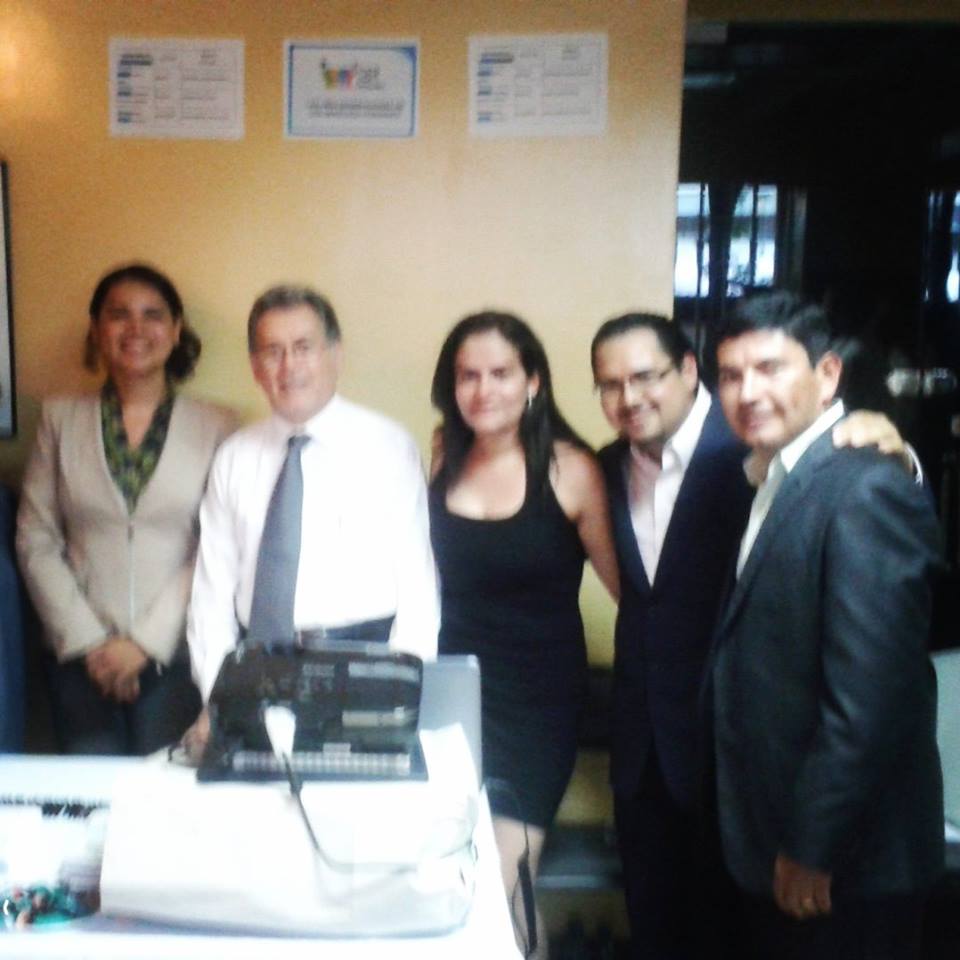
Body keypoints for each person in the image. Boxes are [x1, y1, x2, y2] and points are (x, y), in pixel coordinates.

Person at [590, 312, 917, 960]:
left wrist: (898, 451)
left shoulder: (761, 449)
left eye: (647, 377)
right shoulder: (604, 465)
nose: (629, 398)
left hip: (745, 771)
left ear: (688, 373)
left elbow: (869, 685)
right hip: (648, 758)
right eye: (610, 384)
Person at [707, 291, 943, 960]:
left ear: (828, 374)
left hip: (847, 866)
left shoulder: (864, 487)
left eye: (770, 368)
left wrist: (814, 847)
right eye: (731, 375)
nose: (748, 392)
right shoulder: (774, 476)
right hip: (778, 835)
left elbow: (869, 702)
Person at [429, 311, 619, 958]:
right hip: (448, 698)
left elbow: (633, 593)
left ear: (533, 381)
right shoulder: (442, 455)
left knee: (505, 882)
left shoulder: (572, 470)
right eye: (468, 375)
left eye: (501, 373)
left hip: (536, 706)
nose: (483, 389)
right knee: (446, 880)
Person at [186, 285, 438, 712]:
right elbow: (211, 596)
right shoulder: (234, 458)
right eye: (273, 351)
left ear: (335, 355)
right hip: (258, 663)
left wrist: (399, 694)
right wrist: (219, 698)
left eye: (304, 347)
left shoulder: (389, 447)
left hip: (365, 659)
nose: (289, 366)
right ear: (255, 367)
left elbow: (419, 586)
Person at [16, 263, 235, 755]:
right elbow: (35, 537)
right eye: (119, 315)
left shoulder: (218, 425)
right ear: (97, 330)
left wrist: (145, 643)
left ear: (175, 331)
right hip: (80, 658)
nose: (136, 328)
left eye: (152, 315)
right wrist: (90, 642)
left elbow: (217, 546)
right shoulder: (59, 418)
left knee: (167, 790)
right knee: (89, 792)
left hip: (176, 656)